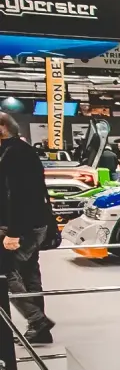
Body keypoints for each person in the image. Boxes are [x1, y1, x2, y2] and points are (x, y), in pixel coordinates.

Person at [0, 112, 55, 343]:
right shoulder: (21, 151)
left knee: (4, 272)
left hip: (21, 226)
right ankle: (39, 329)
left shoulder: (14, 154)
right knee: (29, 271)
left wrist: (13, 233)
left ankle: (37, 320)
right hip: (31, 224)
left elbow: (20, 195)